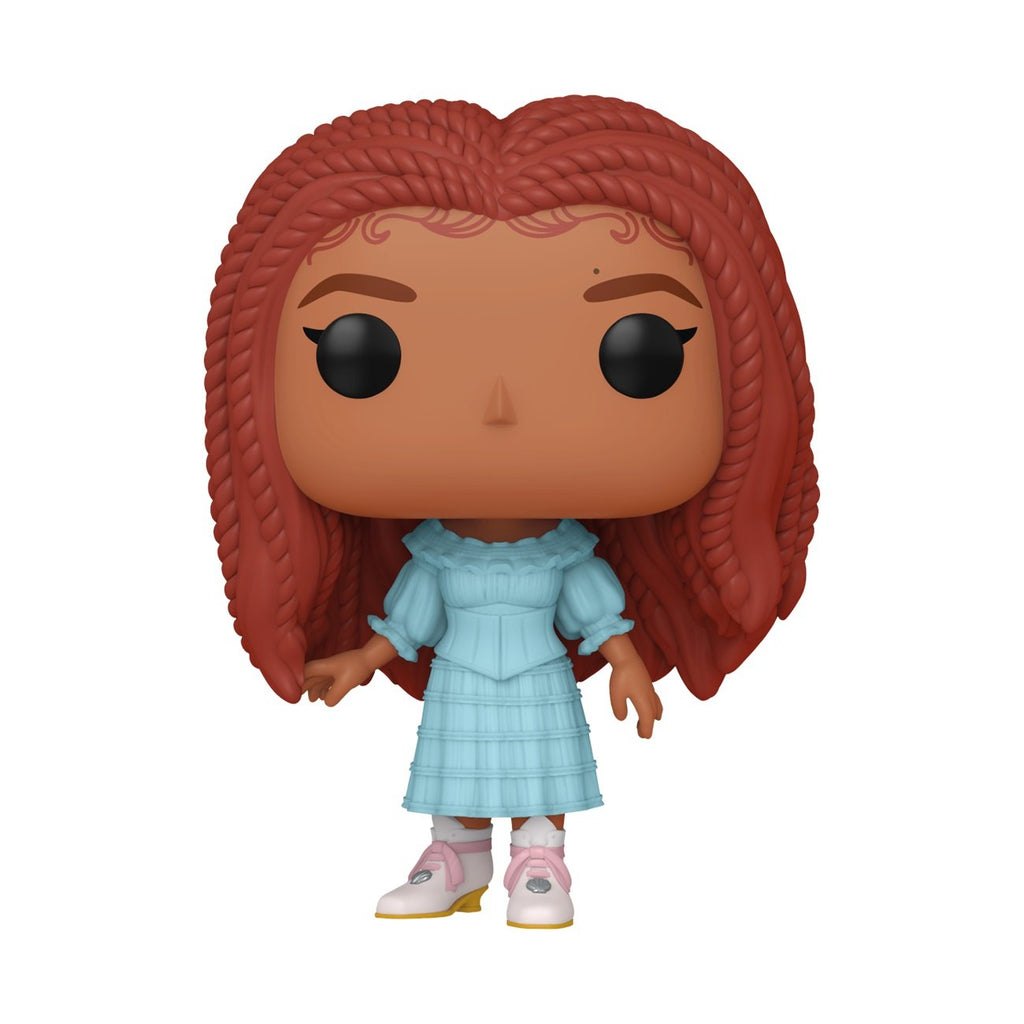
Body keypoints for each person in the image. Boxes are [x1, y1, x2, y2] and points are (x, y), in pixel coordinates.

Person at [205, 95, 817, 929]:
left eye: (639, 352)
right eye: (362, 353)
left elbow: (599, 618)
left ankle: (539, 858)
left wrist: (628, 664)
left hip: (536, 677)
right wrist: (360, 660)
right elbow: (406, 625)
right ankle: (455, 857)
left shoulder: (565, 557)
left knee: (542, 764)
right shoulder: (436, 558)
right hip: (459, 679)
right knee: (454, 764)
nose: (499, 407)